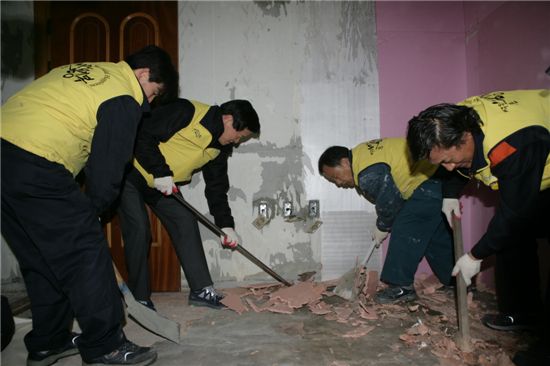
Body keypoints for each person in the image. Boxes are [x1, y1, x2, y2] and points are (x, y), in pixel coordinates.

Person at [1, 45, 178, 366]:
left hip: (5, 155)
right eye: (153, 93)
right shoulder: (123, 94)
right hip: (36, 159)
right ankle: (105, 345)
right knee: (86, 252)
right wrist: (93, 212)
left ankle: (48, 342)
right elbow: (109, 165)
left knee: (41, 259)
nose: (149, 103)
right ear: (143, 75)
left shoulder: (84, 70)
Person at [406, 89, 550, 366]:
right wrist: (450, 193)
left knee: (509, 227)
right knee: (512, 241)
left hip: (537, 154)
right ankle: (521, 314)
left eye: (448, 159)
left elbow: (514, 214)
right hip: (532, 168)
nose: (448, 167)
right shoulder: (451, 121)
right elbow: (458, 164)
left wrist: (475, 255)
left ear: (466, 137)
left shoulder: (514, 143)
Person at [117, 98, 260, 310]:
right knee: (139, 228)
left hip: (162, 185)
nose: (238, 141)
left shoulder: (219, 149)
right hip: (130, 172)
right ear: (228, 119)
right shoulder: (187, 112)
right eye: (241, 135)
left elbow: (216, 189)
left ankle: (201, 290)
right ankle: (140, 298)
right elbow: (143, 133)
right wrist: (161, 172)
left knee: (184, 220)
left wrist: (225, 225)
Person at [318, 138, 463, 304]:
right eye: (333, 182)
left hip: (430, 180)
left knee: (405, 227)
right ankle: (458, 281)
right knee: (434, 237)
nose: (338, 183)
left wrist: (383, 226)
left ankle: (400, 287)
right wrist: (384, 222)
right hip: (439, 177)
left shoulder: (367, 172)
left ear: (344, 162)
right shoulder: (362, 154)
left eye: (336, 177)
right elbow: (394, 197)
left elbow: (389, 203)